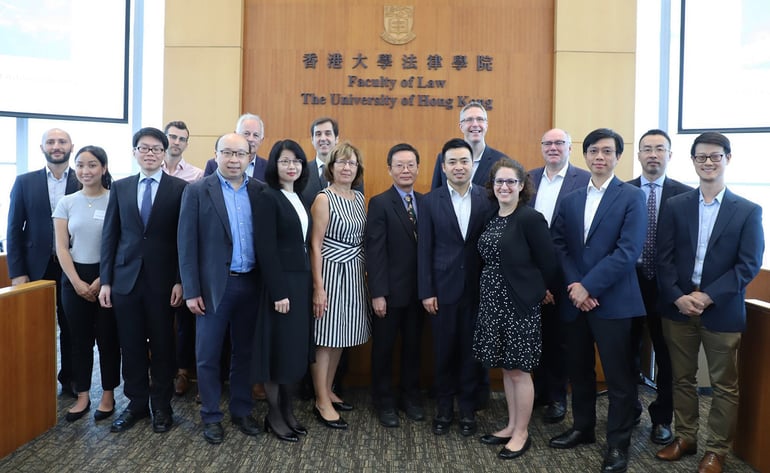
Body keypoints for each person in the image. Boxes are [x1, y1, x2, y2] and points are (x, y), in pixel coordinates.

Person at [655, 132, 764, 473]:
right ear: (693, 161)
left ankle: (717, 450)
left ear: (727, 159)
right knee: (681, 378)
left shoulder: (747, 210)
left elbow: (747, 265)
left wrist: (707, 295)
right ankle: (686, 437)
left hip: (723, 309)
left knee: (723, 385)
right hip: (678, 308)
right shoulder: (675, 206)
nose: (708, 162)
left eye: (715, 156)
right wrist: (678, 296)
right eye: (701, 157)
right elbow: (664, 258)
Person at [549, 128, 646, 473]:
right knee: (579, 371)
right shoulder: (571, 198)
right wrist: (576, 285)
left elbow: (628, 251)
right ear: (585, 155)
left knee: (619, 379)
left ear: (618, 156)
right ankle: (583, 428)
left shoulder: (632, 197)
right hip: (575, 301)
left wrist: (588, 286)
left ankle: (618, 445)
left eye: (606, 151)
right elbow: (559, 244)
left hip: (614, 302)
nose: (599, 157)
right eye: (593, 151)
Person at [99, 127, 188, 434]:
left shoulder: (179, 189)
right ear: (134, 151)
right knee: (131, 345)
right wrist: (106, 282)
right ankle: (136, 403)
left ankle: (161, 406)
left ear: (165, 154)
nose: (150, 153)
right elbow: (110, 236)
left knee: (163, 346)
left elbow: (184, 240)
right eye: (144, 148)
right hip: (125, 282)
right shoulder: (121, 188)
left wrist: (180, 280)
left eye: (156, 149)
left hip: (164, 284)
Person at [178, 133, 264, 444]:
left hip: (251, 284)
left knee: (244, 353)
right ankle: (211, 415)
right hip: (215, 287)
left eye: (240, 153)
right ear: (216, 155)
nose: (233, 159)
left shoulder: (259, 191)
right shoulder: (198, 190)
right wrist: (191, 290)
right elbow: (186, 245)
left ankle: (241, 410)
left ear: (249, 158)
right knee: (208, 354)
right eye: (227, 152)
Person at [475, 158, 559, 459]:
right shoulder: (493, 217)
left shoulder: (529, 218)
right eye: (499, 181)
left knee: (520, 370)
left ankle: (522, 432)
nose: (504, 186)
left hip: (519, 304)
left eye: (511, 181)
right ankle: (511, 425)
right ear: (492, 186)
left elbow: (549, 262)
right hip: (492, 302)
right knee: (507, 368)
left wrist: (536, 294)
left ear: (521, 185)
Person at [418, 138, 494, 437]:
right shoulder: (429, 200)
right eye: (452, 162)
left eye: (464, 161)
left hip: (477, 291)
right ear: (443, 166)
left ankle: (467, 411)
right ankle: (443, 410)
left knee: (470, 354)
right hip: (442, 291)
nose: (459, 167)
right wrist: (426, 291)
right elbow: (424, 249)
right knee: (444, 353)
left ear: (472, 165)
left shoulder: (487, 198)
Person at [627, 129, 692, 445]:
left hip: (667, 288)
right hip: (628, 284)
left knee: (666, 357)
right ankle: (628, 411)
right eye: (647, 149)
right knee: (626, 353)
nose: (653, 154)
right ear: (638, 155)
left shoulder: (685, 195)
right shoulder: (622, 191)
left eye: (659, 149)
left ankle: (662, 419)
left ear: (669, 155)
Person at [7, 128, 80, 398]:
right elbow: (13, 230)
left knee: (72, 325)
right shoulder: (25, 182)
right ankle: (34, 380)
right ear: (42, 148)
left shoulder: (84, 180)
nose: (57, 146)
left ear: (72, 146)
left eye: (62, 141)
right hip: (35, 268)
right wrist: (17, 273)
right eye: (51, 142)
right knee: (33, 327)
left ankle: (70, 379)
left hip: (72, 266)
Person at [53, 146, 120, 422]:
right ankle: (82, 395)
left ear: (103, 168)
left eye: (92, 165)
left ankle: (108, 393)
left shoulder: (116, 199)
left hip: (107, 277)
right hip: (73, 277)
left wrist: (102, 279)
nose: (85, 171)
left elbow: (120, 244)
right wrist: (78, 282)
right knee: (78, 340)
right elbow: (61, 247)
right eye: (80, 165)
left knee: (108, 339)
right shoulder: (66, 202)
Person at [252, 139, 313, 442]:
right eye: (285, 161)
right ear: (274, 165)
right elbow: (265, 248)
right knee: (277, 352)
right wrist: (278, 292)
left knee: (292, 351)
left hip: (300, 283)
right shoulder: (268, 196)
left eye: (297, 161)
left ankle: (288, 412)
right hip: (281, 286)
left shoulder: (298, 196)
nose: (292, 166)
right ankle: (274, 416)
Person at [528, 128, 591, 424]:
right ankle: (538, 391)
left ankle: (557, 397)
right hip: (531, 274)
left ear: (569, 147)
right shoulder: (528, 178)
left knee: (560, 339)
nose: (553, 148)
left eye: (559, 143)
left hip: (567, 274)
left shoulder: (585, 180)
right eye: (548, 143)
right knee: (533, 336)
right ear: (541, 148)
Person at [310, 141, 370, 429]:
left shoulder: (358, 198)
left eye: (352, 163)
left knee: (341, 337)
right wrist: (318, 287)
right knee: (325, 338)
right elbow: (315, 245)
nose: (347, 167)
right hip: (331, 273)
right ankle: (320, 399)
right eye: (341, 162)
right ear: (330, 167)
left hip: (354, 272)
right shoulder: (324, 198)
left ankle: (329, 388)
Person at [365, 143, 426, 428]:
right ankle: (384, 401)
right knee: (384, 351)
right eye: (399, 165)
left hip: (419, 295)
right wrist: (378, 293)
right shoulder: (379, 203)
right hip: (388, 295)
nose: (405, 170)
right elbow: (375, 252)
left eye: (410, 164)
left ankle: (410, 398)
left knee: (414, 349)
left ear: (418, 167)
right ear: (389, 169)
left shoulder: (426, 203)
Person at [161, 120, 204, 398]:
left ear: (187, 144)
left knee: (184, 321)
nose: (176, 142)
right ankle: (161, 371)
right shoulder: (147, 169)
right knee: (158, 320)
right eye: (172, 137)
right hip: (155, 255)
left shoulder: (197, 176)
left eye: (181, 139)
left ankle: (183, 371)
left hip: (183, 255)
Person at [430, 102, 506, 190]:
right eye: (469, 119)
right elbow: (435, 196)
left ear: (486, 125)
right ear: (461, 126)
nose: (475, 124)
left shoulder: (500, 162)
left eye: (480, 119)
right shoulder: (444, 157)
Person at [204, 113, 268, 181]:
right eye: (246, 133)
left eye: (255, 135)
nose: (250, 139)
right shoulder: (214, 164)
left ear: (261, 140)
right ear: (236, 134)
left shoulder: (268, 168)